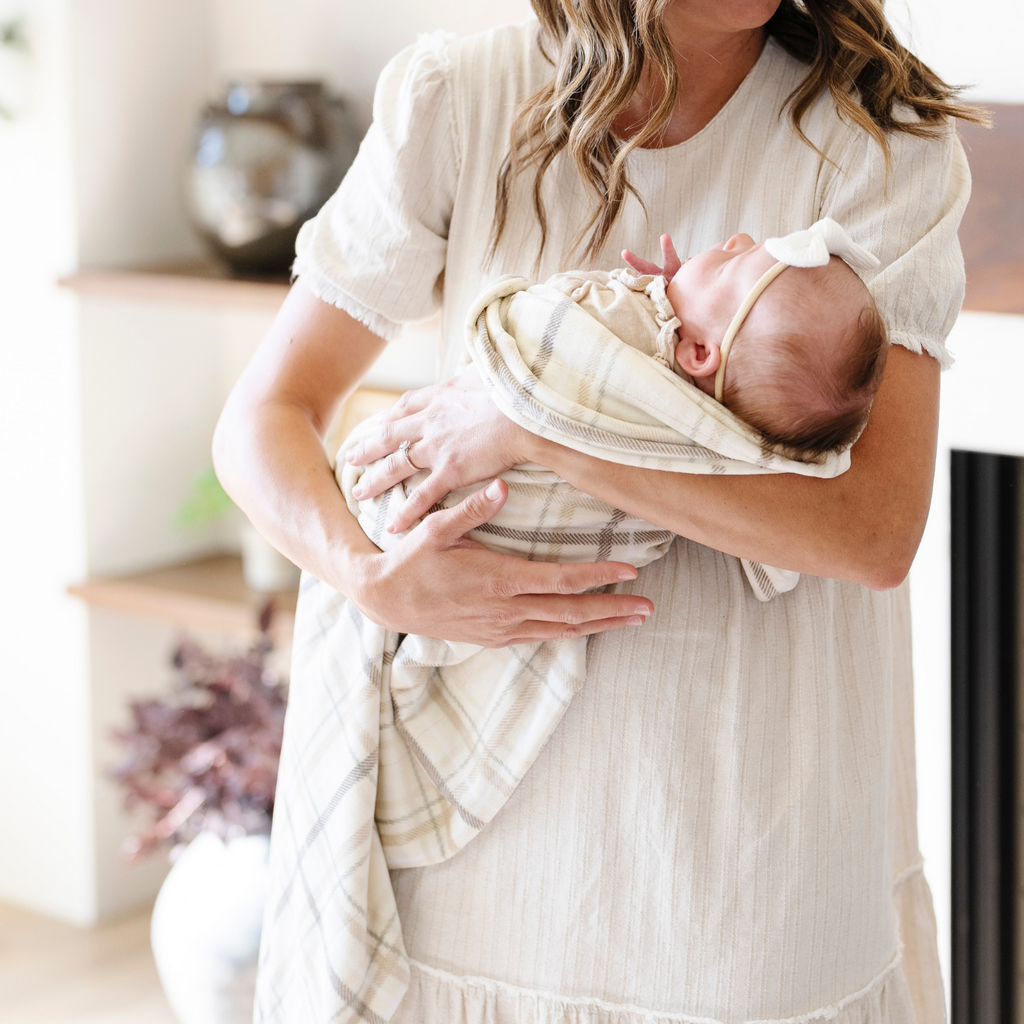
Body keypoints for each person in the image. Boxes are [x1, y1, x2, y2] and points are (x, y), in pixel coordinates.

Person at [214, 2, 977, 1022]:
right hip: (477, 868)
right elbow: (263, 418)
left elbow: (875, 532)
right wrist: (370, 573)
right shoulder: (460, 101)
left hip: (747, 886)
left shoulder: (875, 144)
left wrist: (535, 430)